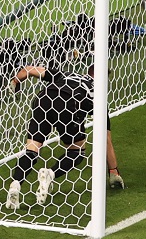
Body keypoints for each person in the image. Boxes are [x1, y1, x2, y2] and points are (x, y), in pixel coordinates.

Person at [4, 64, 125, 211]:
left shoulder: (67, 74)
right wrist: (114, 171)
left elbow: (28, 70)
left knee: (32, 149)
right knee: (77, 151)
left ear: (88, 72)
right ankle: (50, 174)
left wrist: (15, 81)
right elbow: (105, 139)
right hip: (69, 104)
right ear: (103, 80)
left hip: (44, 98)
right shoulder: (98, 95)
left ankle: (15, 185)